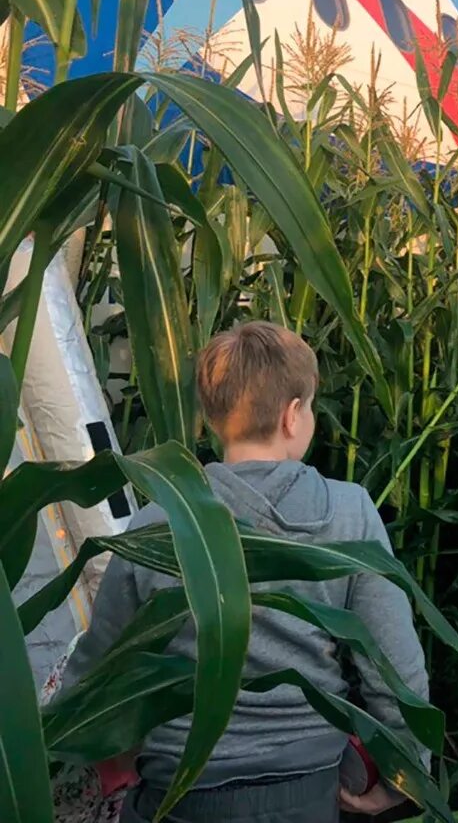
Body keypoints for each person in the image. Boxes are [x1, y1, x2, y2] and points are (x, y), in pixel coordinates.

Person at [62, 321, 429, 823]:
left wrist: (74, 746)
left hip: (178, 791)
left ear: (211, 419)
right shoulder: (349, 514)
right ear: (293, 415)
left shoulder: (159, 522)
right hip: (306, 792)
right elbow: (394, 665)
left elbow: (100, 668)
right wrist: (405, 773)